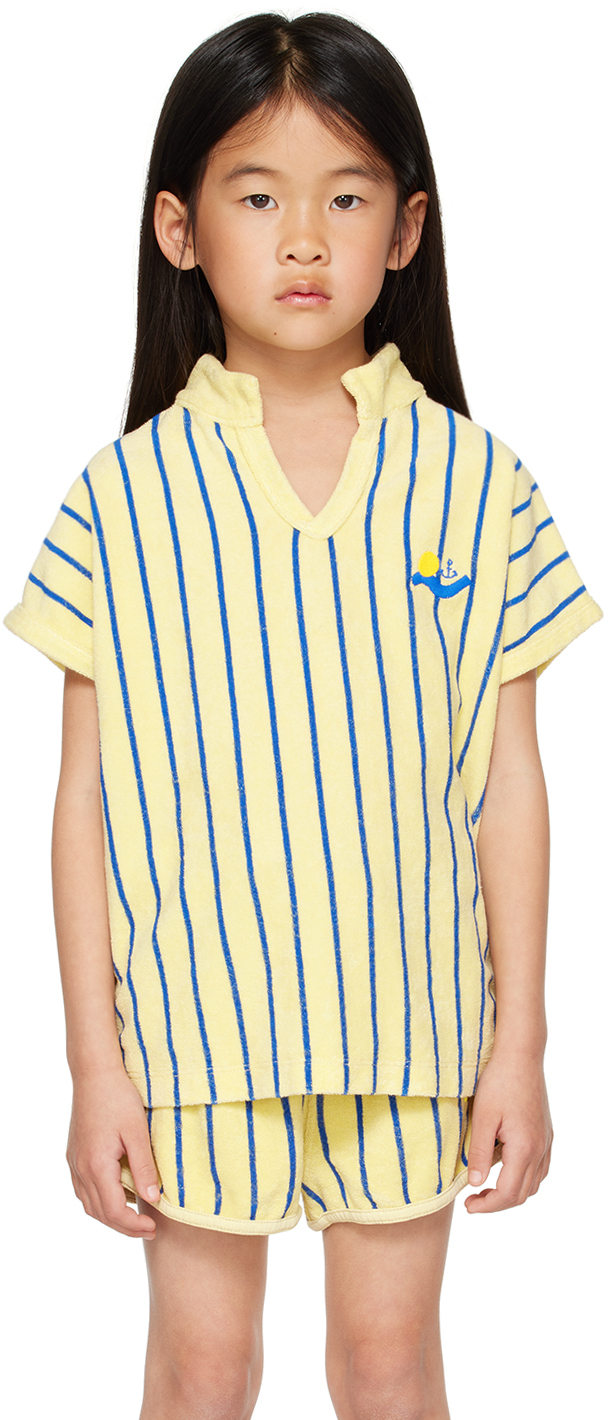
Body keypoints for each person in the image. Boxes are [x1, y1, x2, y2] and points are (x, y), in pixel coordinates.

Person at [4, 12, 603, 1419]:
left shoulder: (478, 483)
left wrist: (520, 1043)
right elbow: (81, 801)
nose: (304, 240)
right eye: (258, 197)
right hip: (196, 1042)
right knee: (203, 1373)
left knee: (390, 1369)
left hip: (415, 1029)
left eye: (346, 197)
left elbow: (512, 783)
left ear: (407, 231)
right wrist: (94, 1065)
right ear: (179, 228)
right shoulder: (123, 498)